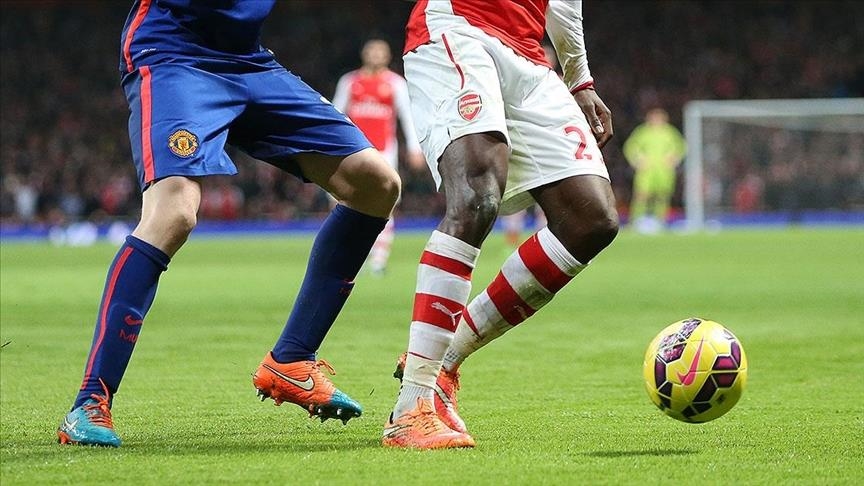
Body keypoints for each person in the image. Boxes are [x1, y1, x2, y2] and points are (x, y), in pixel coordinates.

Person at [56, 0, 400, 447]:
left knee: (377, 184)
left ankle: (291, 360)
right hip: (173, 52)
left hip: (247, 59)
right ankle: (90, 401)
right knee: (173, 213)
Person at [383, 0, 619, 449]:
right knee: (476, 197)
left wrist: (580, 80)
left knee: (592, 219)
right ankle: (411, 408)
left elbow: (564, 6)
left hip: (529, 59)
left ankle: (445, 362)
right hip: (459, 26)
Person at [332, 39, 426, 275]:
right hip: (352, 151)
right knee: (341, 200)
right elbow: (335, 113)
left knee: (385, 202)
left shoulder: (396, 83)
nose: (375, 55)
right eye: (371, 50)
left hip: (384, 151)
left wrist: (415, 147)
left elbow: (407, 116)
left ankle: (378, 260)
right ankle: (346, 254)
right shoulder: (349, 81)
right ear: (364, 54)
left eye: (380, 51)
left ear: (387, 56)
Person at [622, 108, 686, 232]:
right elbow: (630, 146)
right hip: (646, 170)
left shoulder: (670, 132)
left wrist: (674, 158)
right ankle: (635, 221)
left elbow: (681, 146)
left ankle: (660, 222)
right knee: (641, 195)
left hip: (664, 171)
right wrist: (637, 159)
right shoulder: (643, 132)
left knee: (662, 196)